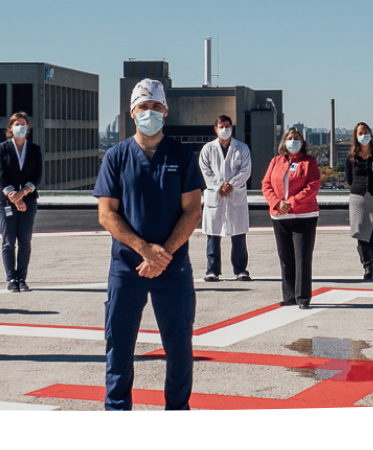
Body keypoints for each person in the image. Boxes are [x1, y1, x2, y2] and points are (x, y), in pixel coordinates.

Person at [93, 79, 204, 411]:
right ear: (132, 113)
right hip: (127, 268)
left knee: (180, 349)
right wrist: (144, 249)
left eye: (156, 107)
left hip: (174, 268)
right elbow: (106, 214)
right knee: (119, 348)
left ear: (165, 111)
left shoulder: (182, 155)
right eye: (144, 107)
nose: (150, 113)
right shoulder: (116, 157)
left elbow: (192, 210)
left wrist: (163, 254)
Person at [263, 127, 321, 309]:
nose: (293, 141)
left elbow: (313, 185)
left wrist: (292, 203)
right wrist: (277, 203)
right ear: (284, 141)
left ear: (302, 142)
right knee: (286, 258)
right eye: (290, 138)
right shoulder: (275, 161)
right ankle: (289, 295)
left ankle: (303, 297)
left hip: (304, 216)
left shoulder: (309, 162)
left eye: (296, 138)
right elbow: (266, 185)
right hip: (280, 217)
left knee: (302, 257)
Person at [198, 115, 252, 282]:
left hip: (235, 195)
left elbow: (245, 170)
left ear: (232, 128)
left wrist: (231, 185)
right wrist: (220, 186)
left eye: (227, 126)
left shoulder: (242, 148)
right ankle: (212, 270)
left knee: (239, 235)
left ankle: (241, 269)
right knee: (213, 235)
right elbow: (205, 170)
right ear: (216, 129)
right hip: (216, 195)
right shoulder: (208, 149)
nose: (224, 129)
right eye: (221, 126)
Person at [0, 112, 43, 292]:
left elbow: (37, 175)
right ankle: (11, 279)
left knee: (24, 241)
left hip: (28, 201)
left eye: (23, 124)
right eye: (17, 124)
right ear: (11, 128)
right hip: (6, 201)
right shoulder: (2, 148)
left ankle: (22, 278)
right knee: (8, 241)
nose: (20, 127)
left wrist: (23, 193)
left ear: (28, 128)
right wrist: (13, 196)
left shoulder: (34, 149)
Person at [346, 122, 373, 280]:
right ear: (356, 136)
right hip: (358, 197)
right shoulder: (351, 155)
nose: (363, 135)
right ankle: (367, 266)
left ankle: (371, 259)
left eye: (366, 132)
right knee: (360, 233)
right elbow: (349, 178)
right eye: (360, 133)